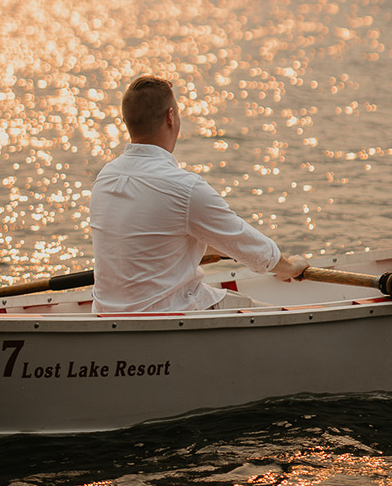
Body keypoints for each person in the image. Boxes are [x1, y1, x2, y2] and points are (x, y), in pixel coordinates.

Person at [90, 74, 308, 313]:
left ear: (125, 121)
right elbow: (244, 241)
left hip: (107, 313)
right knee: (272, 312)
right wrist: (289, 267)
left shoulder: (106, 178)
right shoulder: (185, 188)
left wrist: (233, 250)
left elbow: (158, 240)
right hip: (170, 314)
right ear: (170, 117)